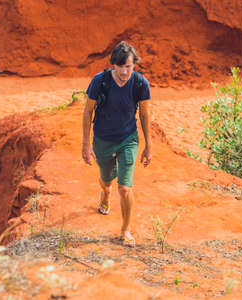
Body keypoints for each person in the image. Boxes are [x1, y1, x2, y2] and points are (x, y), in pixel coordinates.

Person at [82, 41, 152, 247]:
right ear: (114, 65)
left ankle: (125, 230)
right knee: (106, 180)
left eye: (129, 67)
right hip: (103, 139)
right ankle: (105, 192)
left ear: (134, 65)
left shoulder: (140, 83)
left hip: (128, 139)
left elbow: (145, 113)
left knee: (124, 187)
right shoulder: (100, 81)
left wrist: (148, 145)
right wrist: (86, 145)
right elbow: (88, 111)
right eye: (121, 67)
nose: (124, 71)